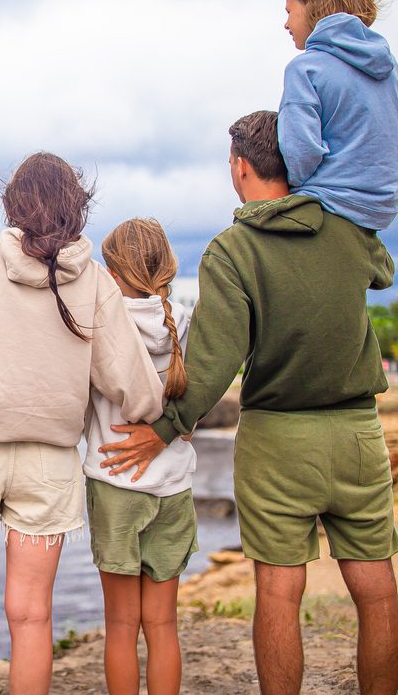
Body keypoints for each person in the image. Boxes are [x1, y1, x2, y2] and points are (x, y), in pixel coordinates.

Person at [101, 111, 398, 695]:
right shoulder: (346, 229)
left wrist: (165, 428)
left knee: (281, 593)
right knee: (377, 588)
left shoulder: (233, 250)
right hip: (359, 430)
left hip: (278, 440)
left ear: (240, 167)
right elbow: (382, 271)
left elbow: (212, 363)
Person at [0, 152, 165, 695]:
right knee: (30, 618)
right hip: (50, 465)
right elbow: (132, 382)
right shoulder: (95, 283)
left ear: (12, 204)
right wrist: (153, 416)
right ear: (78, 209)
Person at [83, 218, 197, 695]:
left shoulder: (99, 325)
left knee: (121, 626)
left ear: (111, 273)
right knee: (163, 626)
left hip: (115, 486)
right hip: (174, 486)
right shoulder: (186, 322)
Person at [279, 0, 398, 231]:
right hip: (381, 211)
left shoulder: (305, 68)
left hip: (328, 206)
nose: (286, 23)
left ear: (312, 7)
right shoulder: (390, 70)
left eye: (289, 11)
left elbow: (301, 154)